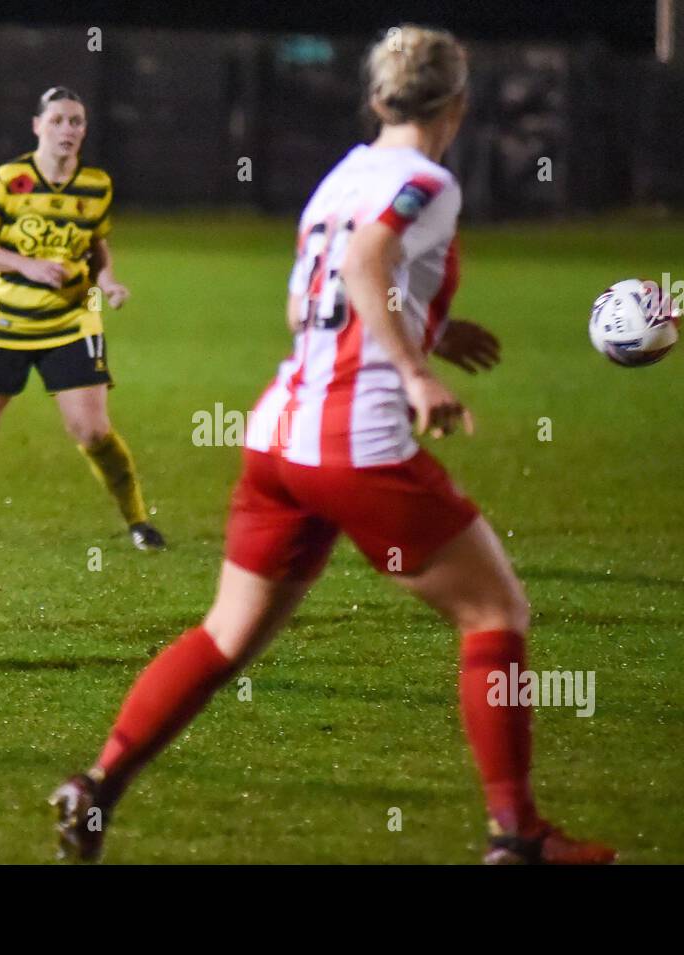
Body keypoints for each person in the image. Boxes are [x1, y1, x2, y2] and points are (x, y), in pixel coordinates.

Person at [50, 25, 616, 865]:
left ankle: (96, 786)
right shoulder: (428, 179)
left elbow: (307, 305)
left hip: (280, 434)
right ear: (456, 104)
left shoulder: (341, 175)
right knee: (495, 612)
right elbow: (365, 263)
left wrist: (431, 323)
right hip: (357, 438)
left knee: (225, 634)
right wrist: (416, 371)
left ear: (380, 97)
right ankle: (517, 834)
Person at [0, 86, 164, 551]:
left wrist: (109, 281)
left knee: (94, 431)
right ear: (38, 126)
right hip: (7, 325)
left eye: (76, 121)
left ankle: (139, 521)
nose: (67, 129)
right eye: (57, 120)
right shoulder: (9, 180)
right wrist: (26, 265)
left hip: (72, 325)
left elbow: (96, 245)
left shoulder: (96, 184)